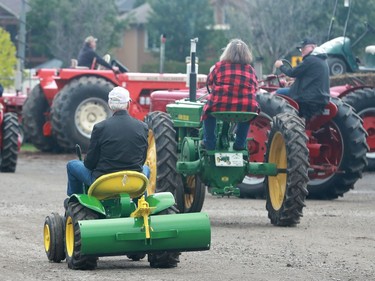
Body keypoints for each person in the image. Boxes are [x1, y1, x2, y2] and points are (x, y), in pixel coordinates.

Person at [66, 86, 149, 197]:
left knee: (72, 165)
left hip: (104, 182)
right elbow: (142, 160)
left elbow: (89, 164)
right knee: (146, 169)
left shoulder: (100, 127)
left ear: (110, 105)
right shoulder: (142, 127)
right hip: (133, 181)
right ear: (128, 104)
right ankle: (141, 200)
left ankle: (76, 201)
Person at [201, 38, 260, 151]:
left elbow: (209, 81)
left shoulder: (219, 67)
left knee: (207, 112)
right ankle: (240, 144)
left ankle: (209, 143)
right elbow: (255, 86)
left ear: (227, 52)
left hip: (220, 105)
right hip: (246, 107)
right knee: (247, 115)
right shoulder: (251, 70)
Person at [274, 37, 330, 120]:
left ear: (313, 47)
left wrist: (281, 66)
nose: (302, 51)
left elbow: (292, 73)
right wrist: (295, 83)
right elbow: (311, 78)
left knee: (279, 92)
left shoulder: (310, 60)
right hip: (321, 97)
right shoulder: (322, 60)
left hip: (307, 98)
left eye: (304, 48)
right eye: (301, 49)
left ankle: (284, 121)